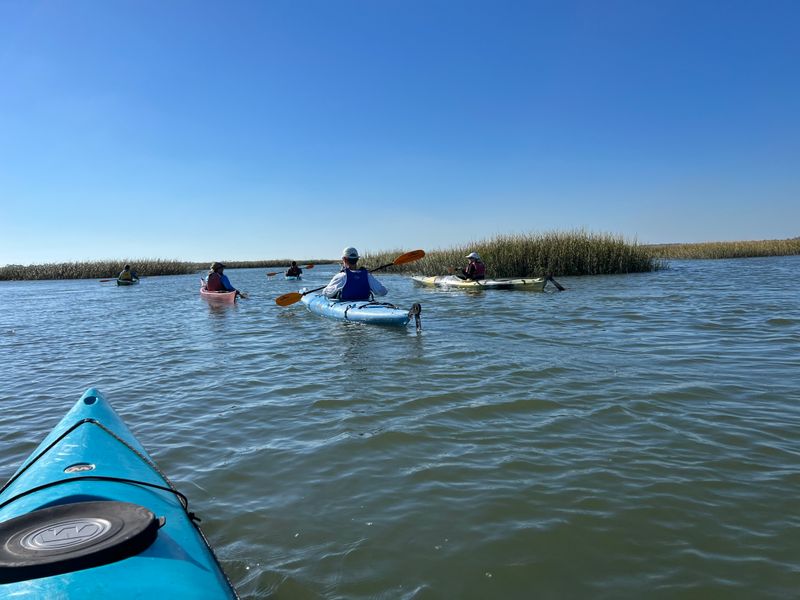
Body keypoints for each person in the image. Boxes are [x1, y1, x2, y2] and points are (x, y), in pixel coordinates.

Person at [323, 247, 387, 301]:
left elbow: (326, 293)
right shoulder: (367, 276)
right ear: (357, 259)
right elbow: (383, 292)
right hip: (365, 304)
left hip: (347, 306)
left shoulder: (341, 276)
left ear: (344, 259)